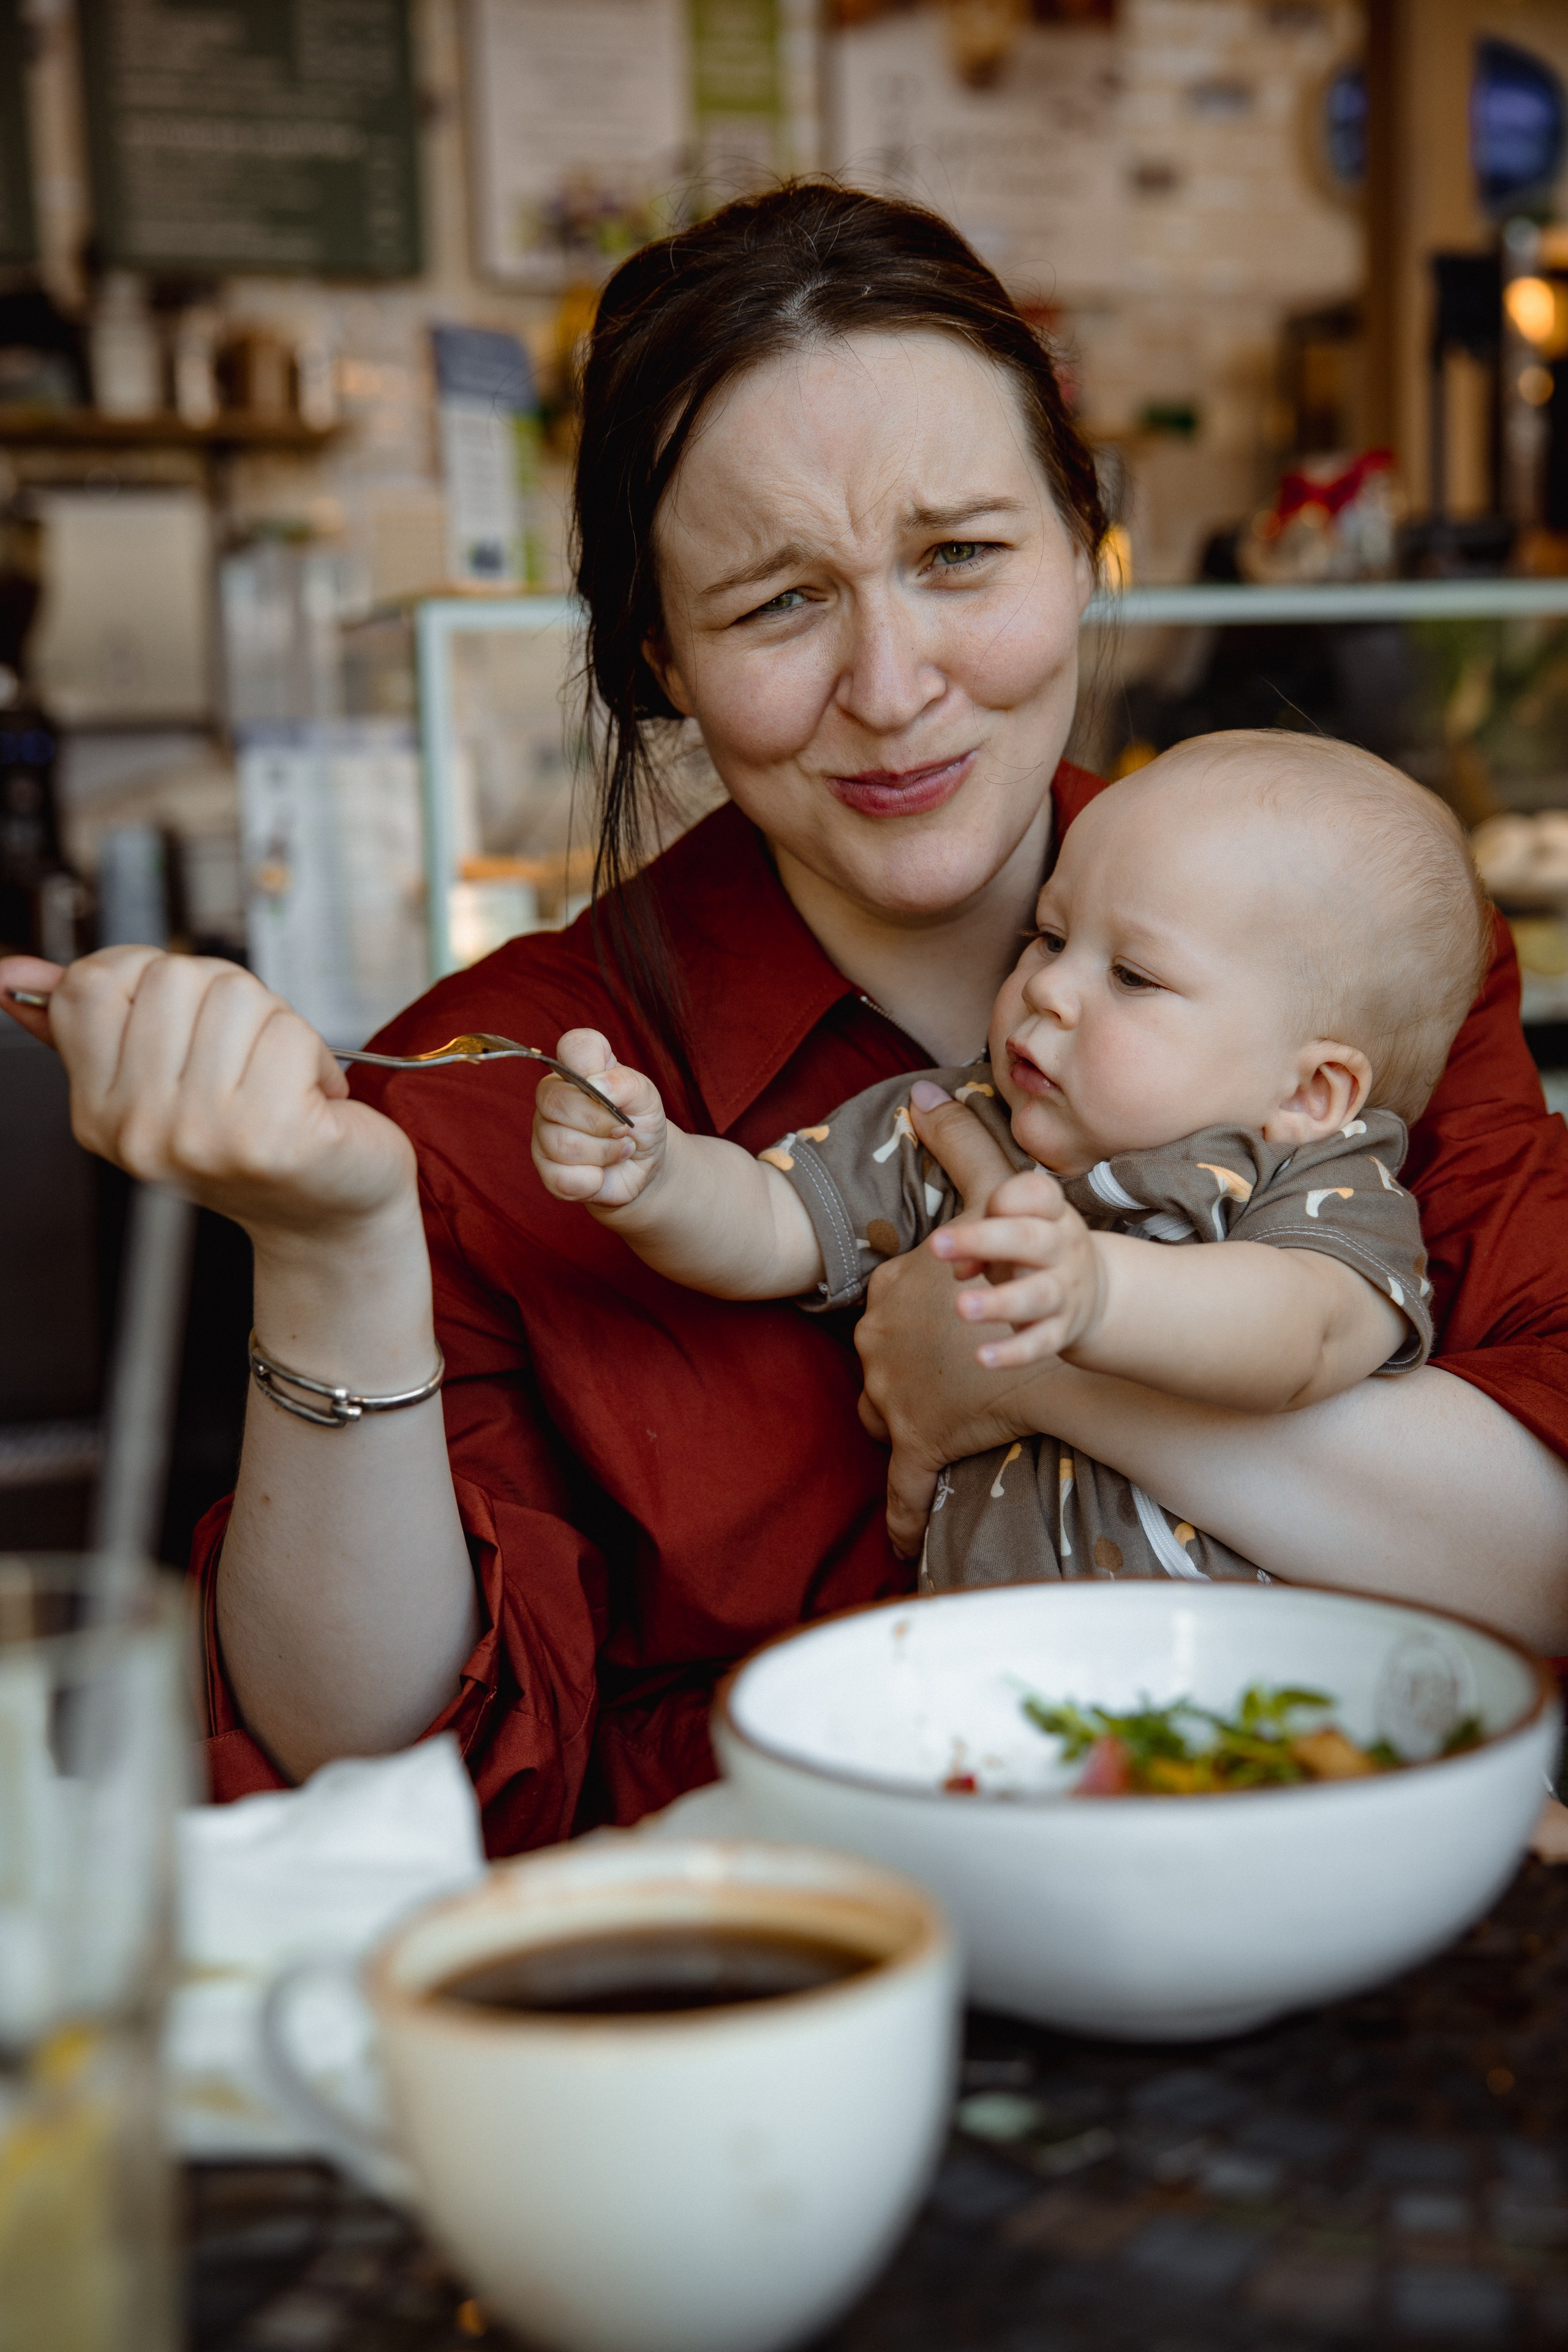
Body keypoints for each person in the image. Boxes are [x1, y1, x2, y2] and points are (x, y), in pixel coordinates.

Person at [2, 186, 1566, 1856]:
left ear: (1081, 538)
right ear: (659, 651)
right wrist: (330, 1247)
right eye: (778, 604)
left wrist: (1022, 1371)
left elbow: (1536, 1551)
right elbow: (359, 1756)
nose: (894, 686)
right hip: (775, 2003)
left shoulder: (1336, 949)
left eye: (962, 555)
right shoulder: (505, 1081)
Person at [531, 730, 1490, 1590]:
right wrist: (656, 1178)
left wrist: (1100, 1294)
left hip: (1256, 1714)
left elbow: (1307, 1335)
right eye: (1051, 935)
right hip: (998, 1699)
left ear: (1307, 1093)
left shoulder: (1317, 1178)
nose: (1049, 990)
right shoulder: (969, 1118)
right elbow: (770, 1224)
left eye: (1132, 976)